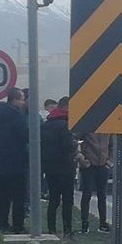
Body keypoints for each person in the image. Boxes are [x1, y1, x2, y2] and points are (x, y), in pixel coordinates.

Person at [0, 88, 29, 233]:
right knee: (18, 196)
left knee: (2, 195)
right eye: (21, 99)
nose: (23, 102)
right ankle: (18, 226)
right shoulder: (17, 117)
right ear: (14, 100)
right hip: (16, 162)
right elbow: (25, 137)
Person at [40, 97, 77, 236]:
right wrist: (75, 144)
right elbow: (67, 146)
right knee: (67, 199)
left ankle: (51, 229)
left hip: (49, 167)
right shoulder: (65, 125)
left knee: (53, 199)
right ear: (66, 107)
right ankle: (67, 230)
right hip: (65, 167)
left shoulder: (45, 125)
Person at [77, 131, 111, 233]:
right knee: (87, 194)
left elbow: (113, 145)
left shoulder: (108, 128)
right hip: (89, 164)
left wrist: (109, 162)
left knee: (102, 195)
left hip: (103, 164)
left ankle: (103, 223)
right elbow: (75, 140)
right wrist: (81, 159)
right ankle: (84, 224)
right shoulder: (88, 126)